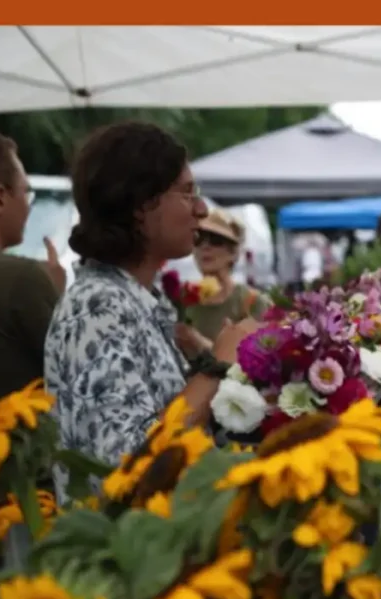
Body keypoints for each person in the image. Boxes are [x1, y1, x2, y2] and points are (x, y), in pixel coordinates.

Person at [44, 121, 259, 478]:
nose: (202, 209)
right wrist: (217, 367)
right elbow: (128, 465)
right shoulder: (97, 309)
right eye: (187, 193)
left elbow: (175, 425)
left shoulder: (135, 301)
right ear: (141, 205)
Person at [0, 127, 67, 414]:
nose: (28, 207)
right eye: (26, 192)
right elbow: (77, 380)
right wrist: (56, 293)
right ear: (0, 197)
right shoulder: (21, 280)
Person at [177, 208, 271, 354]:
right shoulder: (182, 299)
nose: (205, 247)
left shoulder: (252, 302)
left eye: (216, 241)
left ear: (233, 253)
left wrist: (199, 343)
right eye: (198, 239)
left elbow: (259, 361)